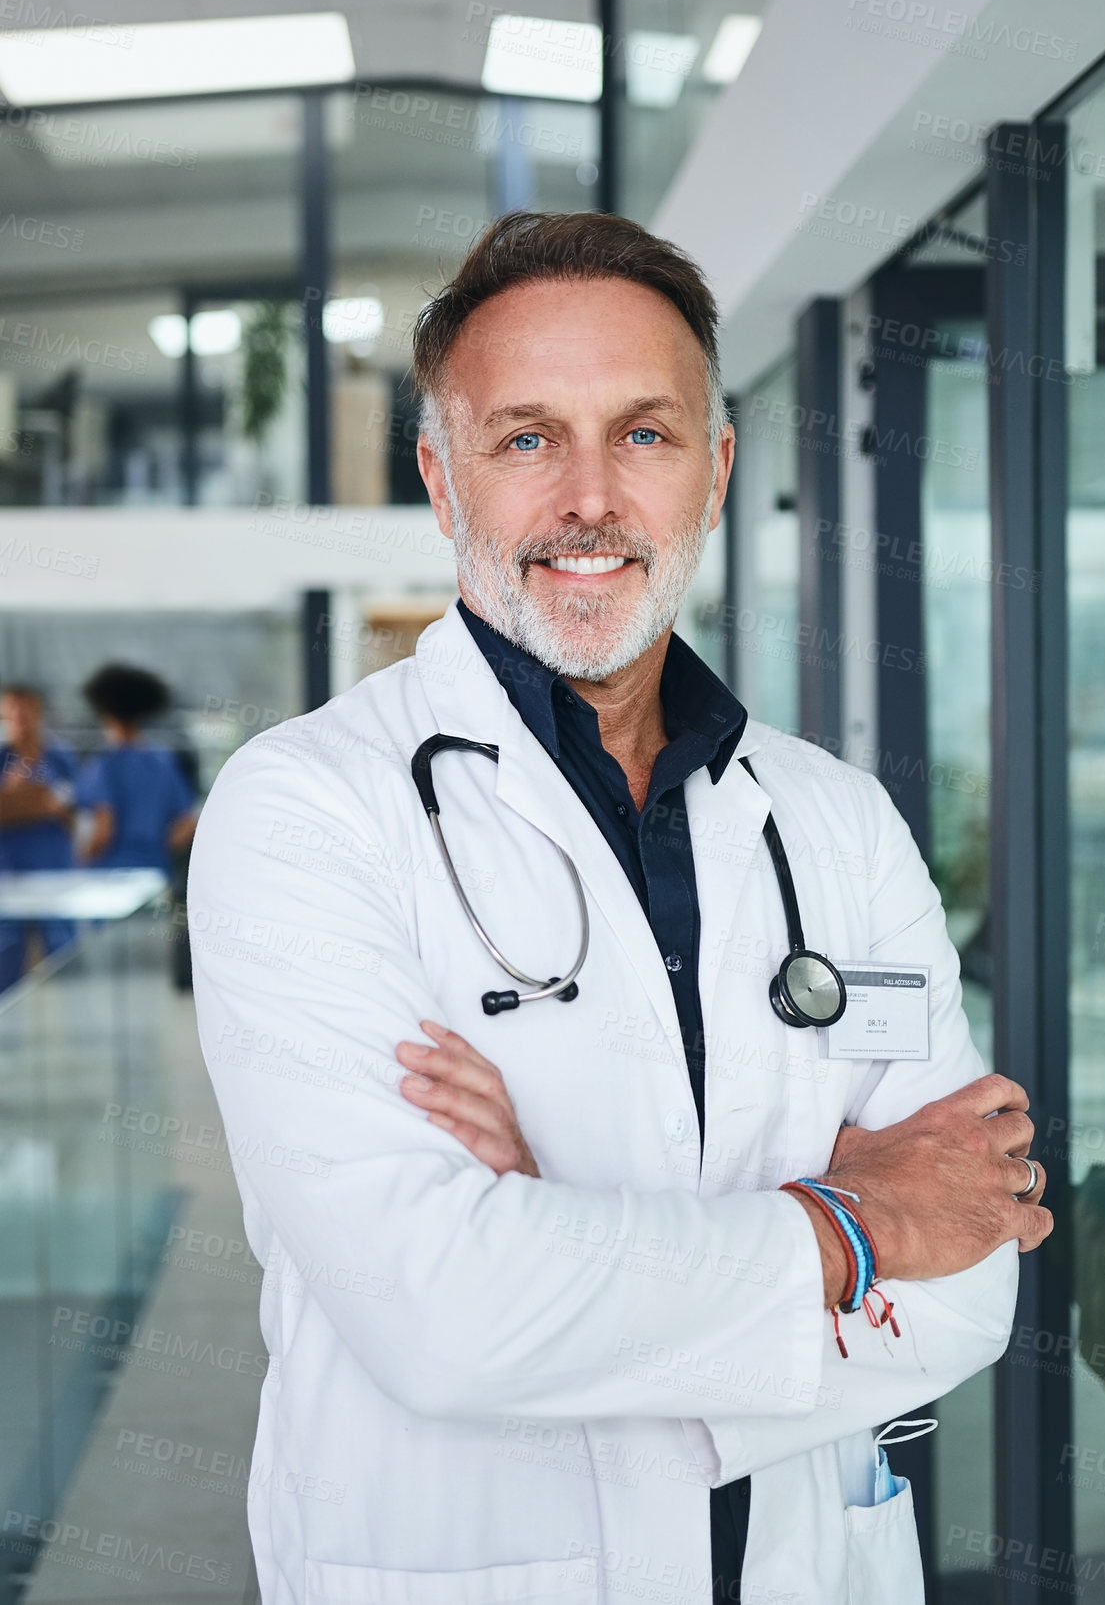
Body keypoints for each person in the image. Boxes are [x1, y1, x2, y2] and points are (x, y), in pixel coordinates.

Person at [189, 212, 1051, 1605]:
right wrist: (848, 1229)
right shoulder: (306, 810)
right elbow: (445, 1314)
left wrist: (561, 1236)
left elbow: (973, 1281)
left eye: (642, 435)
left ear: (712, 470)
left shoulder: (836, 819)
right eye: (525, 438)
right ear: (440, 474)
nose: (588, 499)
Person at [77, 664, 198, 870]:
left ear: (106, 714)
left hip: (109, 874)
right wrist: (159, 850)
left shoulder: (105, 764)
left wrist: (79, 863)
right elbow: (187, 823)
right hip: (154, 872)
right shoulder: (163, 761)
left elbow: (103, 829)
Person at [0, 684, 77, 990]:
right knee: (7, 956)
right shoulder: (3, 759)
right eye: (13, 712)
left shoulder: (60, 758)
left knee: (64, 954)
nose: (20, 719)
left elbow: (74, 811)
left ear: (38, 713)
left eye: (26, 711)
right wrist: (20, 795)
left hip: (54, 872)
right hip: (10, 875)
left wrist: (38, 804)